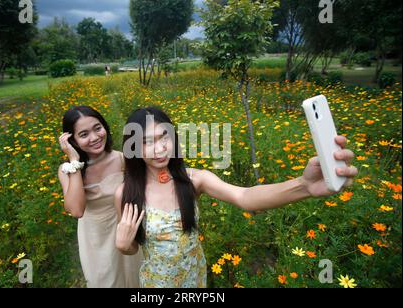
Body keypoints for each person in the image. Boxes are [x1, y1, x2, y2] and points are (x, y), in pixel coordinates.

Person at [114, 107, 358, 288]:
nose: (159, 149)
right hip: (156, 283)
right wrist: (124, 247)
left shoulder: (193, 180)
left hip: (194, 277)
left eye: (164, 137)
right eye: (147, 142)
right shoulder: (126, 194)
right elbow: (132, 246)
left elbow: (245, 196)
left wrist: (303, 185)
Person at [58, 106, 143, 288]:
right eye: (83, 134)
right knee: (105, 281)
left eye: (98, 128)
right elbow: (76, 210)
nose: (95, 138)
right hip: (95, 237)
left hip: (125, 227)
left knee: (135, 278)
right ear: (72, 140)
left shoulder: (122, 159)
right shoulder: (68, 170)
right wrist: (74, 162)